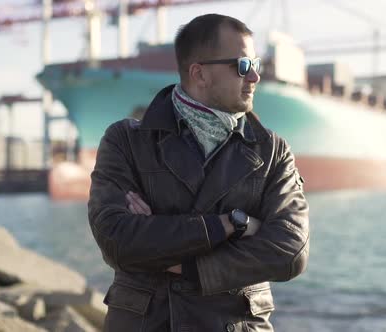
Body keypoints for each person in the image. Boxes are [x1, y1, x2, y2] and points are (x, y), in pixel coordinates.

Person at [88, 13, 310, 332]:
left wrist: (187, 264)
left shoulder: (273, 150)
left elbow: (290, 251)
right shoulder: (125, 140)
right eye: (243, 66)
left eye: (256, 65)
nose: (255, 78)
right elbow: (116, 240)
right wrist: (234, 224)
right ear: (200, 74)